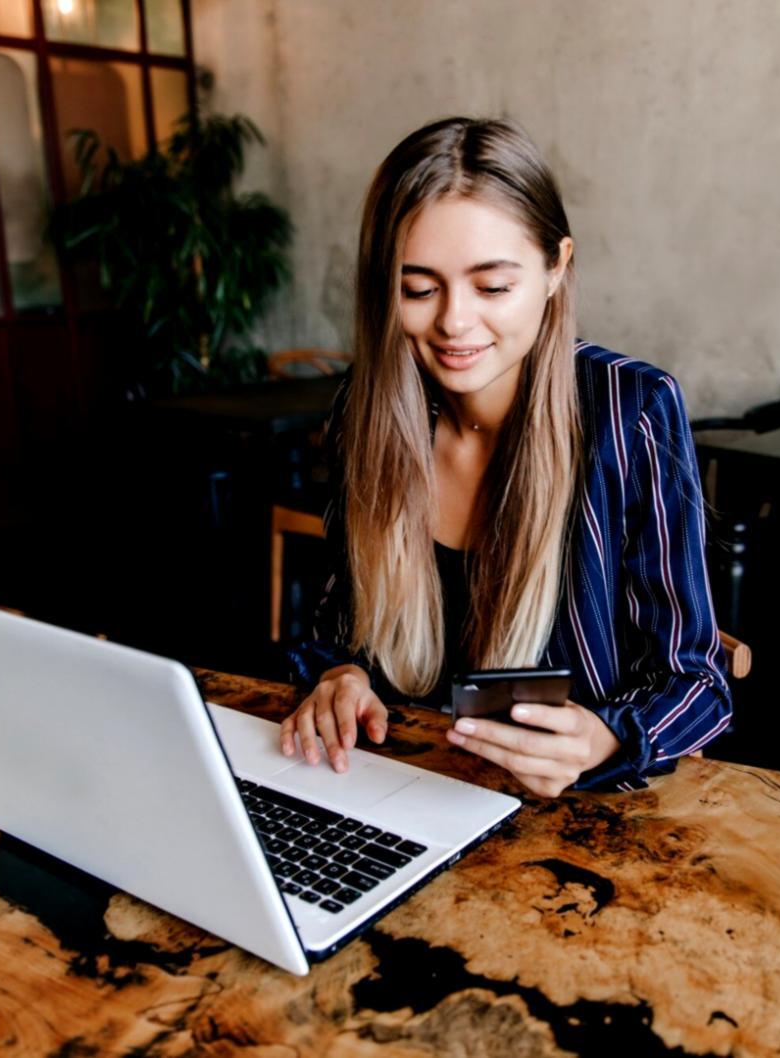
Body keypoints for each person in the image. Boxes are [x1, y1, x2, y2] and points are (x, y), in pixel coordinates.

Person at [284, 116, 731, 796]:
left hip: (567, 822)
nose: (454, 322)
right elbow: (339, 624)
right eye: (418, 288)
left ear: (556, 269)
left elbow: (697, 682)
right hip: (399, 791)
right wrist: (340, 675)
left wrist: (609, 738)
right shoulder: (367, 411)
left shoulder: (629, 410)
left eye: (492, 287)